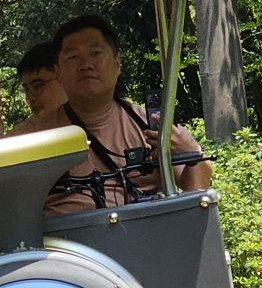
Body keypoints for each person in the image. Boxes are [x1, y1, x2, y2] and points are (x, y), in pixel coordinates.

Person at [39, 14, 211, 216]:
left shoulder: (150, 124)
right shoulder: (32, 136)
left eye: (95, 53)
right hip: (68, 244)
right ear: (58, 72)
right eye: (73, 57)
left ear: (117, 63)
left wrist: (192, 154)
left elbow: (197, 196)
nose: (85, 64)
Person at [0, 42, 64, 141]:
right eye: (27, 89)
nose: (29, 98)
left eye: (38, 86)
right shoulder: (24, 135)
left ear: (65, 77)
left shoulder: (82, 122)